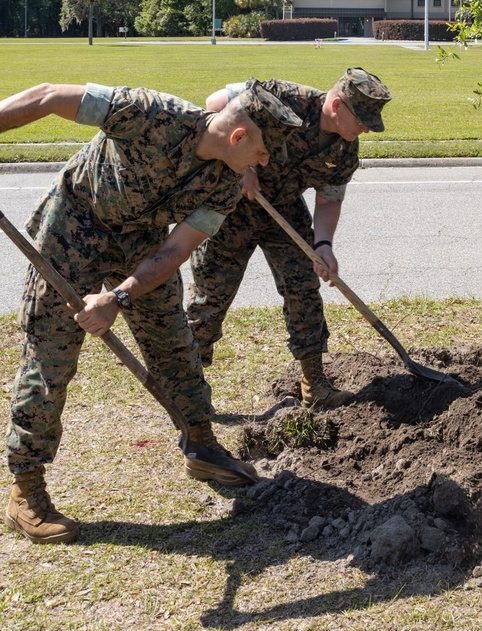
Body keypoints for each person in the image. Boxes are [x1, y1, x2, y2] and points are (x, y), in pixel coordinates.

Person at [1, 80, 302, 545]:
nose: (262, 165)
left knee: (174, 342)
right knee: (51, 358)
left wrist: (118, 298)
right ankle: (25, 487)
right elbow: (47, 96)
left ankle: (201, 443)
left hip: (141, 242)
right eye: (262, 153)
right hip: (72, 230)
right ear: (239, 137)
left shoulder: (224, 184)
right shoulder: (149, 112)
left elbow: (177, 249)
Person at [185, 68, 391, 410]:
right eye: (363, 119)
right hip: (230, 205)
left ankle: (315, 385)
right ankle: (188, 392)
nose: (366, 127)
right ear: (337, 105)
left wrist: (323, 246)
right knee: (211, 297)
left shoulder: (345, 150)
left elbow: (329, 198)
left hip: (282, 208)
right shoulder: (283, 97)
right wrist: (240, 168)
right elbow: (213, 103)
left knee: (303, 289)